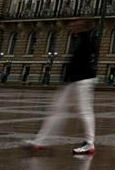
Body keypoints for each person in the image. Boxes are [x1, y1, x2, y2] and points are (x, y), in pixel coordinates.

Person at [25, 19, 98, 155]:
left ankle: (89, 143)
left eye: (75, 24)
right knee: (57, 109)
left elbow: (82, 60)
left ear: (82, 26)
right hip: (74, 80)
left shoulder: (87, 39)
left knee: (84, 111)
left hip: (82, 80)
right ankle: (40, 141)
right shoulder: (80, 39)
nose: (71, 25)